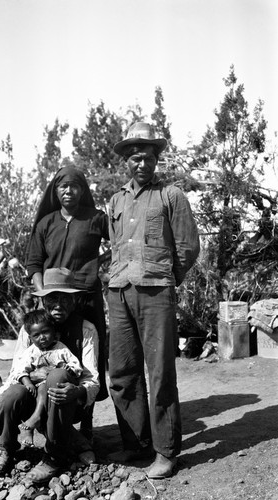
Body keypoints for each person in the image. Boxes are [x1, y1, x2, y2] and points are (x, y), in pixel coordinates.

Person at [107, 122, 200, 479]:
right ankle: (136, 444)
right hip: (118, 291)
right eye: (134, 158)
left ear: (156, 160)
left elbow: (188, 246)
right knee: (122, 372)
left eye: (147, 157)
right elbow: (116, 247)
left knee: (160, 373)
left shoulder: (171, 196)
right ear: (126, 162)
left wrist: (166, 279)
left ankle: (166, 451)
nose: (141, 164)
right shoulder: (116, 200)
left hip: (157, 292)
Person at [0, 268, 100, 482]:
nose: (58, 305)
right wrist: (32, 377)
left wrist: (76, 390)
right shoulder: (29, 329)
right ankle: (6, 447)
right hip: (34, 395)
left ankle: (54, 457)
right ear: (44, 300)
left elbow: (92, 378)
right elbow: (15, 372)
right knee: (12, 393)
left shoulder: (86, 330)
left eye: (65, 298)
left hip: (67, 400)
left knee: (57, 376)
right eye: (52, 298)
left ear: (75, 299)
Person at [25, 163, 110, 439]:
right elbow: (34, 263)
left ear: (83, 190)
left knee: (89, 361)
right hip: (53, 304)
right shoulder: (46, 223)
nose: (69, 191)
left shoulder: (96, 218)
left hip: (86, 299)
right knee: (50, 359)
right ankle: (51, 426)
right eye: (63, 186)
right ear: (55, 190)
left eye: (75, 186)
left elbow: (121, 243)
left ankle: (86, 427)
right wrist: (44, 297)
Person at [10, 309, 83, 447]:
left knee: (45, 386)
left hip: (56, 391)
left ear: (54, 332)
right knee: (32, 391)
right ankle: (30, 427)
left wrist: (69, 369)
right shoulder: (31, 352)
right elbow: (19, 369)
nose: (42, 337)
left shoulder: (61, 349)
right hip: (35, 391)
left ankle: (37, 420)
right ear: (30, 338)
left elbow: (75, 365)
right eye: (36, 335)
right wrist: (27, 382)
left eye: (45, 332)